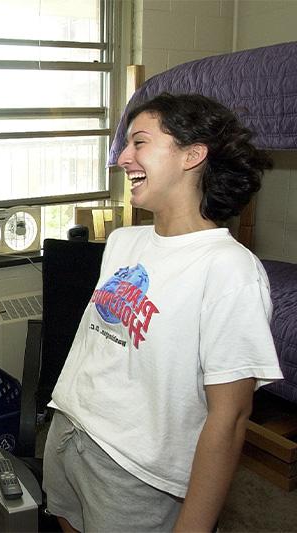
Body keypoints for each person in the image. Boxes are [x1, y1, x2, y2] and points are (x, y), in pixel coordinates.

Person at [42, 93, 284, 532]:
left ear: (192, 155)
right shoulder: (122, 243)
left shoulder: (229, 271)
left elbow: (228, 420)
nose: (121, 158)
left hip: (134, 470)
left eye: (139, 142)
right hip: (69, 431)